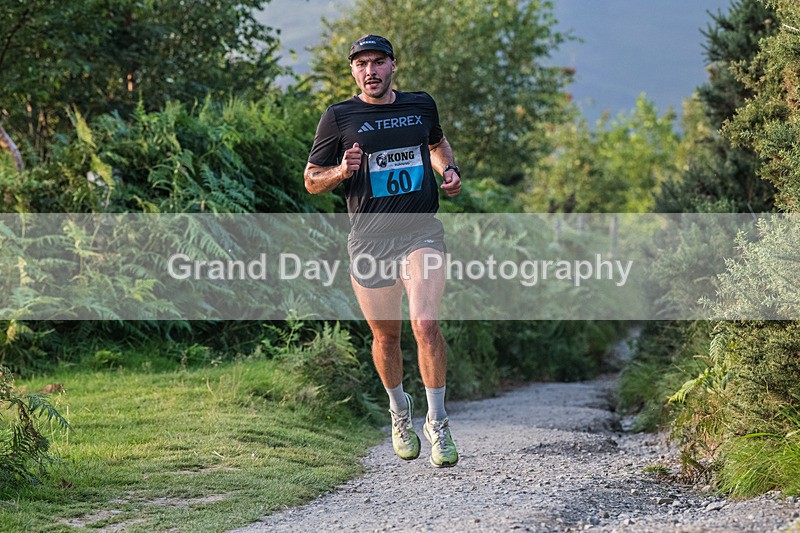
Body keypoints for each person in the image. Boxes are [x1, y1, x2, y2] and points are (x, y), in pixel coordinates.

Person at [304, 34, 462, 467]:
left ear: (393, 65)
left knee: (425, 323)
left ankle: (438, 422)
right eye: (361, 64)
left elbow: (436, 143)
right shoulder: (339, 116)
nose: (369, 71)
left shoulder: (420, 105)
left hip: (420, 231)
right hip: (369, 240)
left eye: (377, 62)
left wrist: (448, 169)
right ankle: (399, 411)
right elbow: (311, 179)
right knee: (386, 338)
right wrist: (341, 171)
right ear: (353, 71)